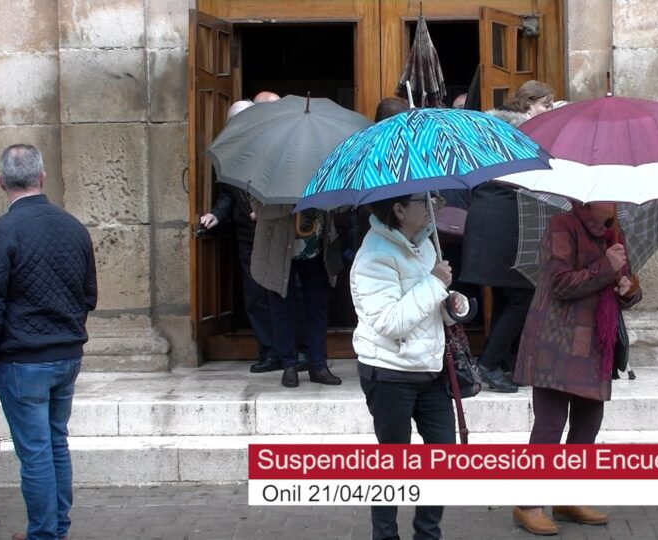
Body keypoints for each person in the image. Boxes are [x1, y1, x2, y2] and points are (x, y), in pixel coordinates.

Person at [0, 144, 97, 540]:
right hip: (65, 352)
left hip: (22, 359)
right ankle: (55, 528)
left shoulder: (0, 232)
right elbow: (89, 295)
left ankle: (45, 533)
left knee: (37, 452)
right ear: (42, 178)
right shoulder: (73, 226)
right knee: (54, 443)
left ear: (0, 182)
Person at [510, 202, 641, 535]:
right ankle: (527, 504)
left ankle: (568, 497)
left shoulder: (615, 232)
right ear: (590, 198)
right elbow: (560, 284)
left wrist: (629, 289)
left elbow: (623, 284)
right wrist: (606, 267)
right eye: (609, 193)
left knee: (588, 423)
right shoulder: (562, 225)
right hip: (557, 339)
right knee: (550, 424)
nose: (616, 200)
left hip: (595, 344)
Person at [350, 192, 467, 540]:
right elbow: (390, 322)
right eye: (424, 199)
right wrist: (434, 283)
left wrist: (451, 305)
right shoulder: (373, 257)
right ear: (399, 209)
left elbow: (428, 307)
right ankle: (384, 535)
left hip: (429, 369)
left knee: (442, 454)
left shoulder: (426, 244)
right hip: (389, 373)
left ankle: (427, 535)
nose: (434, 203)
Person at [199, 99, 308, 374]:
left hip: (277, 230)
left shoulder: (276, 146)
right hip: (247, 233)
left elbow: (290, 185)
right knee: (255, 294)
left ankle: (296, 351)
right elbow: (227, 194)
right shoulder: (229, 152)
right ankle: (269, 351)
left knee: (287, 290)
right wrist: (216, 214)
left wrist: (267, 211)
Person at [460, 80, 555, 393]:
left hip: (495, 220)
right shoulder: (522, 136)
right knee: (521, 296)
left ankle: (500, 362)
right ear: (528, 105)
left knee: (506, 295)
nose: (550, 110)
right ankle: (488, 364)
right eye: (546, 105)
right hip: (505, 222)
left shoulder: (499, 132)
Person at [248, 200, 343, 388]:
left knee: (318, 308)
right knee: (281, 309)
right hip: (277, 248)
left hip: (316, 247)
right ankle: (289, 365)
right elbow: (259, 208)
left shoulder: (322, 170)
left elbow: (341, 205)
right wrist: (294, 205)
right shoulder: (269, 172)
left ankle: (318, 365)